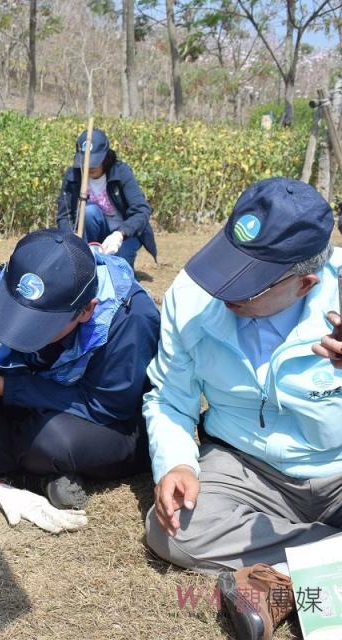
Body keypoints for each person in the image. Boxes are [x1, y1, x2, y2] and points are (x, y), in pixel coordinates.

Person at [144, 177, 341, 640]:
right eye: (227, 261)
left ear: (304, 283)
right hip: (245, 467)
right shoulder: (190, 296)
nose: (223, 287)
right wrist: (176, 462)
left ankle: (282, 580)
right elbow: (170, 397)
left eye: (248, 284)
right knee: (171, 530)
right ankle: (324, 558)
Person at [0, 229, 160, 514]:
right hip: (25, 402)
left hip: (90, 417)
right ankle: (41, 471)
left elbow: (107, 406)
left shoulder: (130, 317)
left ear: (86, 311)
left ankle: (22, 462)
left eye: (41, 325)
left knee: (51, 439)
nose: (23, 333)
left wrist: (1, 387)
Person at [56, 129, 157, 269]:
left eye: (95, 162)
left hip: (125, 234)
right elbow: (64, 216)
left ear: (106, 157)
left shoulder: (121, 172)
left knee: (117, 266)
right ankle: (87, 260)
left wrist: (120, 234)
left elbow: (142, 210)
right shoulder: (72, 177)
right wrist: (72, 243)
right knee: (89, 211)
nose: (90, 167)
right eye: (86, 162)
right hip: (93, 230)